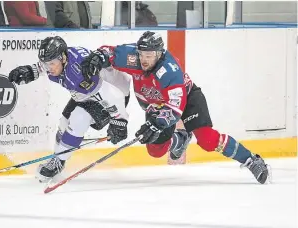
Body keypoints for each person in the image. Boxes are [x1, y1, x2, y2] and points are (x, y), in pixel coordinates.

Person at [80, 31, 271, 184]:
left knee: (207, 140)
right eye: (142, 54)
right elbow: (110, 52)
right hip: (156, 105)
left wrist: (158, 123)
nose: (144, 60)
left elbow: (175, 108)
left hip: (186, 100)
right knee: (155, 151)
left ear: (159, 53)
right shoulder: (134, 57)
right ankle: (178, 140)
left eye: (149, 55)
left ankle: (251, 160)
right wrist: (99, 57)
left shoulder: (170, 71)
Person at [8, 36, 130, 182]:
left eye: (51, 64)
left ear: (63, 58)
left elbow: (113, 95)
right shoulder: (59, 62)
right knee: (64, 123)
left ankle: (58, 161)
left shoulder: (80, 72)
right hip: (85, 94)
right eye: (45, 64)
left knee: (79, 118)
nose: (48, 68)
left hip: (114, 94)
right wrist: (31, 70)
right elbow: (46, 65)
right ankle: (57, 159)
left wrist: (119, 119)